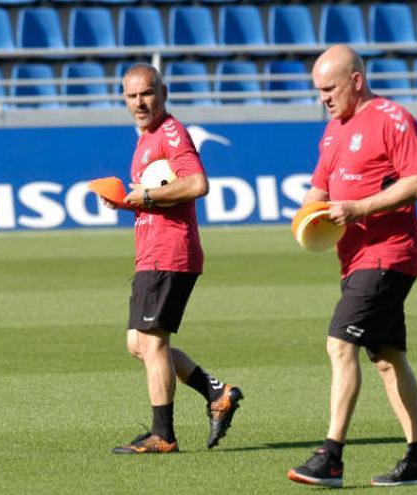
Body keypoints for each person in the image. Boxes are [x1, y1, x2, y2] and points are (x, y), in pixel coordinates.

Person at [286, 45, 417, 487]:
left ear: (356, 80)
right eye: (318, 90)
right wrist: (307, 214)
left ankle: (330, 456)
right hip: (355, 259)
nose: (323, 98)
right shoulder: (334, 130)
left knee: (340, 344)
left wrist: (360, 208)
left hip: (389, 253)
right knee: (389, 358)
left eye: (329, 88)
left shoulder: (393, 118)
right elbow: (319, 187)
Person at [105, 63, 243, 455]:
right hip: (152, 252)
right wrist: (129, 202)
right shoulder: (146, 139)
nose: (139, 102)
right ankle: (218, 392)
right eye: (131, 96)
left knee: (151, 342)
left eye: (146, 93)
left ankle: (163, 434)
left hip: (170, 252)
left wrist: (145, 197)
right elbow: (159, 195)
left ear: (162, 93)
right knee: (139, 343)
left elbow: (198, 184)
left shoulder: (170, 132)